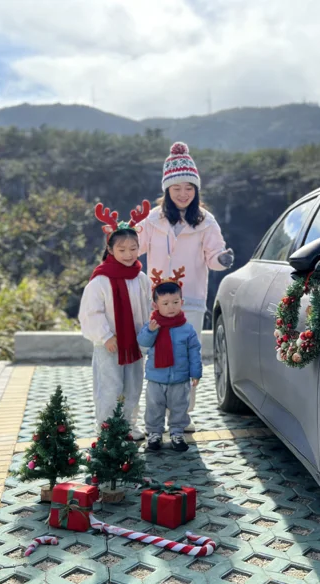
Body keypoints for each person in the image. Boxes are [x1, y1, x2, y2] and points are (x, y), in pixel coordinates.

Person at [137, 141, 234, 430]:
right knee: (156, 357)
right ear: (167, 189)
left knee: (188, 356)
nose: (183, 193)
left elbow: (214, 255)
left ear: (196, 190)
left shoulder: (206, 221)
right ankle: (155, 413)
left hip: (188, 300)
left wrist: (223, 259)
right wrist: (118, 237)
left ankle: (182, 415)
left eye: (189, 187)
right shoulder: (152, 219)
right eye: (176, 187)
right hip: (157, 300)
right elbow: (134, 246)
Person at [79, 200, 152, 440]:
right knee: (110, 387)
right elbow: (91, 312)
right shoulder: (100, 280)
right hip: (109, 345)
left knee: (133, 385)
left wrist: (149, 334)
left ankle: (129, 424)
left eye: (133, 248)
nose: (128, 254)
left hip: (135, 344)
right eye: (122, 250)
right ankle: (108, 428)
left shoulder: (141, 278)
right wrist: (106, 336)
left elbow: (148, 307)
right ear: (110, 250)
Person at [137, 267, 202, 452]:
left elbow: (194, 352)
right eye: (165, 303)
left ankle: (177, 433)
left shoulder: (187, 329)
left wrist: (195, 373)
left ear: (182, 302)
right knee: (154, 407)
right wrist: (151, 331)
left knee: (179, 407)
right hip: (156, 378)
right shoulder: (153, 325)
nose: (171, 307)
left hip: (180, 378)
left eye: (175, 302)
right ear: (155, 305)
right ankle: (154, 434)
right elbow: (143, 342)